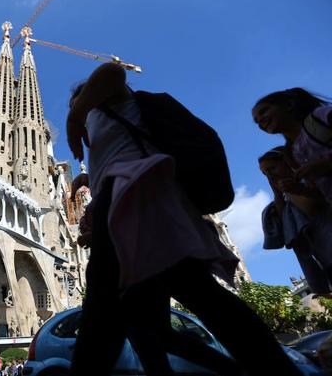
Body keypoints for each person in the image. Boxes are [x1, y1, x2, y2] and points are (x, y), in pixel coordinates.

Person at [66, 62, 302, 376]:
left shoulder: (116, 101)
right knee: (167, 316)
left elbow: (112, 71)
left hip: (140, 201)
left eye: (77, 100)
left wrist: (75, 113)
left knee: (106, 308)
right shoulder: (104, 124)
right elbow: (116, 160)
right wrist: (89, 181)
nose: (76, 110)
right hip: (130, 206)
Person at [259, 146, 332, 293]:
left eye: (272, 168)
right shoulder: (286, 197)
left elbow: (310, 208)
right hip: (324, 256)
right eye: (265, 173)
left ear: (287, 162)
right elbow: (284, 220)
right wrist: (278, 193)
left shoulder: (309, 181)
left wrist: (288, 190)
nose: (270, 176)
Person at [252, 88, 332, 205]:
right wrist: (300, 190)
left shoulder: (320, 117)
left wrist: (326, 162)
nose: (260, 121)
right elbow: (321, 194)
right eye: (257, 121)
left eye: (263, 111)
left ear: (289, 105)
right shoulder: (291, 153)